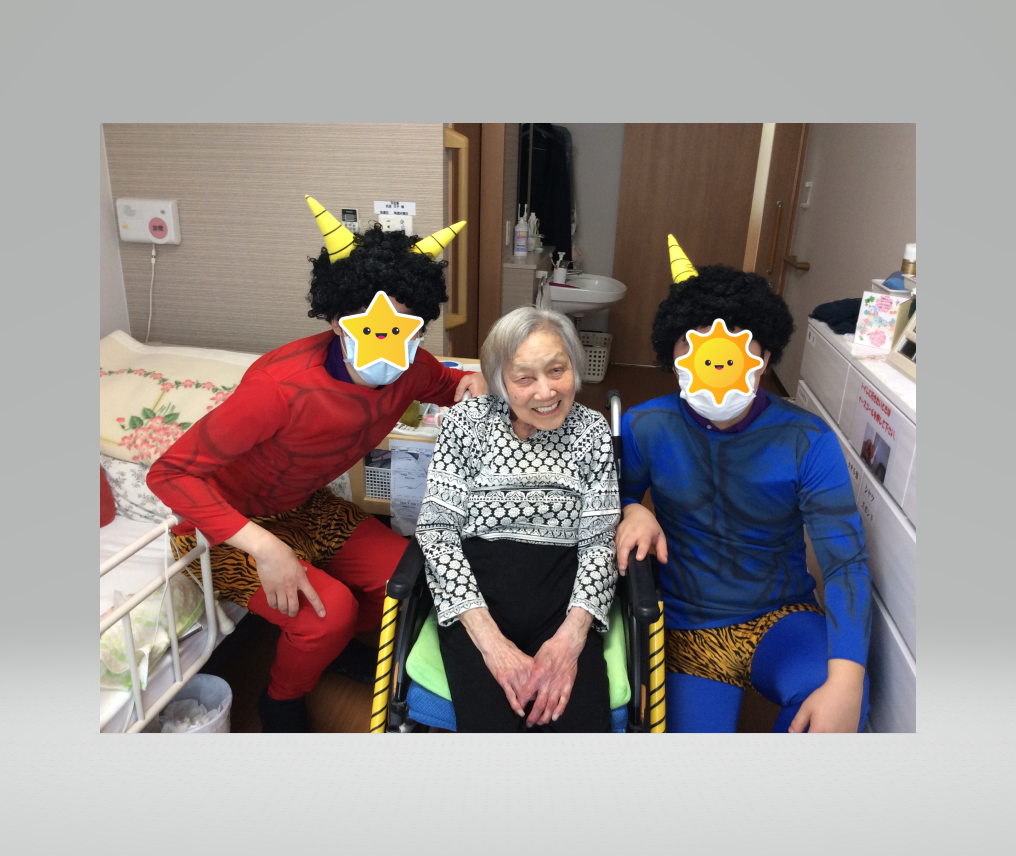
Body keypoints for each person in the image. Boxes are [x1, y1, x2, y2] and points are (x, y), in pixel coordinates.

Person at [147, 201, 486, 732]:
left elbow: (450, 383)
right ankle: (280, 699)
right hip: (221, 527)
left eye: (404, 327)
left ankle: (334, 648)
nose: (386, 344)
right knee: (329, 612)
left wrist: (474, 382)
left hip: (299, 506)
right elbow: (168, 474)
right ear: (336, 321)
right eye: (370, 326)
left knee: (404, 576)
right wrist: (264, 547)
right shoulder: (277, 389)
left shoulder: (414, 368)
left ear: (420, 328)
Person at [615, 236, 871, 733]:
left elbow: (846, 563)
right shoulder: (646, 426)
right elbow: (610, 499)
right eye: (693, 342)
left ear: (765, 354)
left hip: (781, 617)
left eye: (734, 342)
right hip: (685, 625)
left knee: (841, 707)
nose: (714, 359)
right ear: (672, 354)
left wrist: (847, 681)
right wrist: (633, 507)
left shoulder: (807, 440)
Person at [415, 306, 620, 732]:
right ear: (501, 382)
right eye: (524, 378)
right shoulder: (466, 424)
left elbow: (599, 541)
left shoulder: (593, 431)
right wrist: (491, 644)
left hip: (565, 604)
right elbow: (437, 530)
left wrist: (571, 639)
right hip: (475, 605)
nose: (546, 392)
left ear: (574, 367)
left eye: (557, 370)